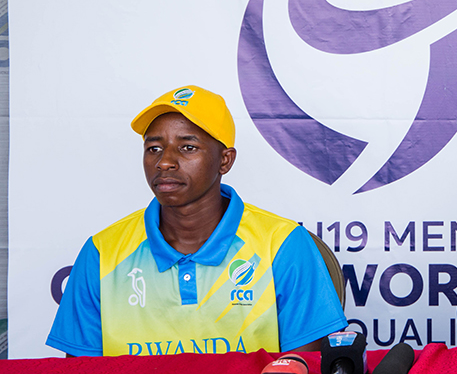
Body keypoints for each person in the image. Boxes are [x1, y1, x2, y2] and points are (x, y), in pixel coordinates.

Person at [47, 85, 348, 357]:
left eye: (187, 147)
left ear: (224, 160)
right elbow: (80, 367)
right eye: (154, 148)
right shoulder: (102, 253)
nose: (164, 161)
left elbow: (305, 364)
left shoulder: (283, 244)